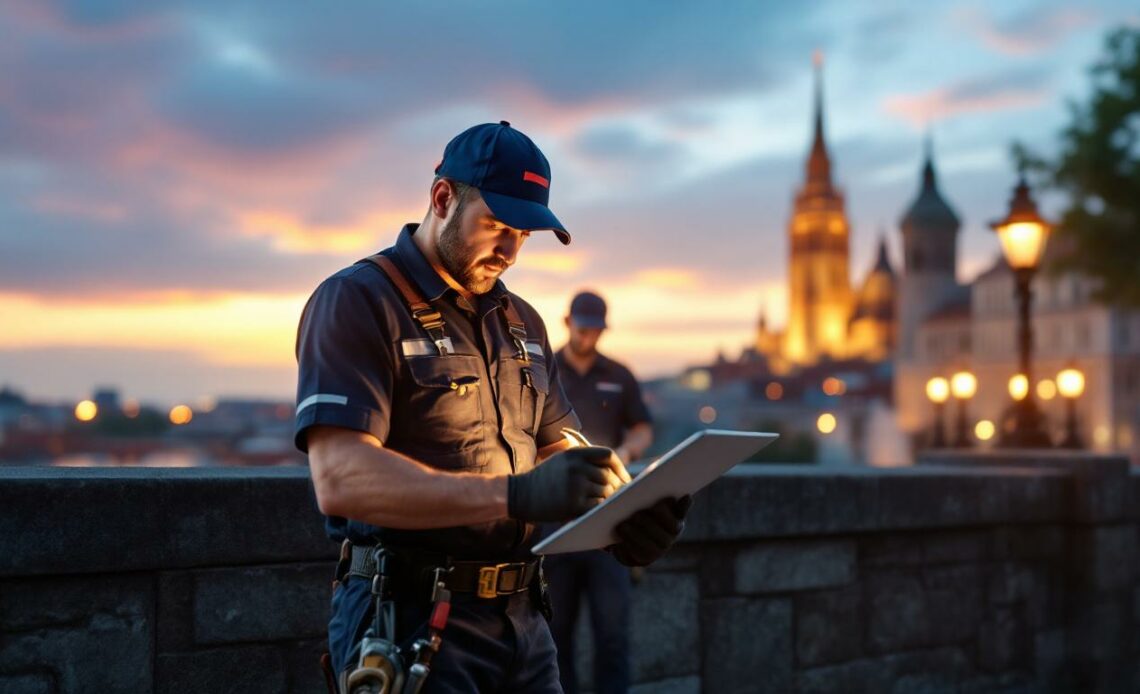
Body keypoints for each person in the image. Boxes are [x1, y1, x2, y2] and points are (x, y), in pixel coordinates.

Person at [293, 121, 690, 694]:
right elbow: (340, 479)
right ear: (442, 199)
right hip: (410, 622)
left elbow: (562, 449)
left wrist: (623, 517)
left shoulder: (522, 322)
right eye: (497, 225)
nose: (508, 251)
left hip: (525, 626)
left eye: (523, 234)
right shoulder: (358, 300)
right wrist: (515, 495)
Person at [545, 291, 654, 694]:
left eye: (596, 329)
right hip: (555, 522)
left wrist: (626, 451)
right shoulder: (544, 369)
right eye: (583, 327)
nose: (589, 336)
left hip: (609, 522)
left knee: (613, 635)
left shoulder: (619, 375)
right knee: (556, 636)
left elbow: (642, 427)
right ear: (567, 322)